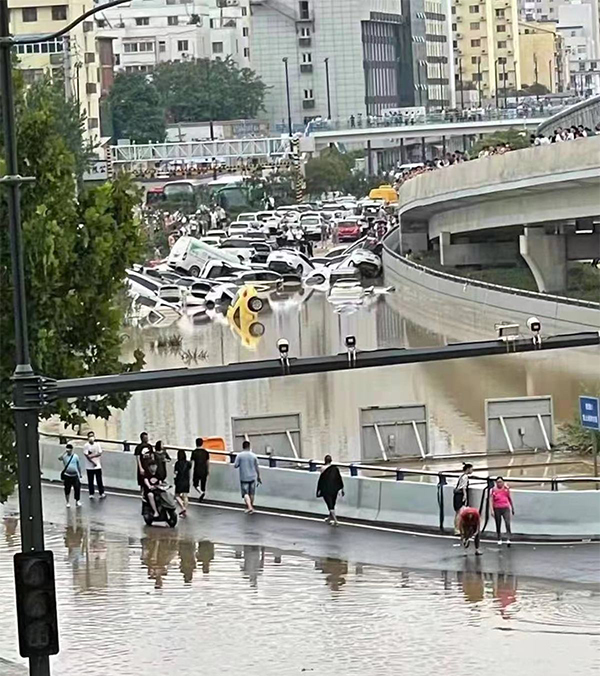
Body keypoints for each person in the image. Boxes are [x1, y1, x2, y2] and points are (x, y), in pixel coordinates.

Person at [234, 440, 261, 514]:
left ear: (243, 447)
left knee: (245, 493)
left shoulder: (239, 455)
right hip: (252, 477)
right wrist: (258, 476)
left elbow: (235, 465)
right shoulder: (253, 456)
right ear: (249, 447)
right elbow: (257, 467)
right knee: (252, 493)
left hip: (244, 477)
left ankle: (249, 507)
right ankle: (251, 506)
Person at [316, 455, 344, 526]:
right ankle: (329, 518)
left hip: (326, 489)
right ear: (331, 460)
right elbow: (339, 479)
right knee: (332, 503)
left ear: (324, 461)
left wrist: (318, 490)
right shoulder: (335, 469)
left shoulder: (322, 468)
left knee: (330, 505)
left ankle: (335, 521)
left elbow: (321, 480)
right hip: (334, 489)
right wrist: (341, 488)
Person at [491, 476, 514, 546]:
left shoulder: (506, 489)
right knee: (498, 524)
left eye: (500, 482)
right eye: (498, 482)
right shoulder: (493, 490)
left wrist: (512, 507)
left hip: (505, 508)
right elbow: (491, 500)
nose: (499, 483)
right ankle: (499, 538)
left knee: (507, 523)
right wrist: (491, 510)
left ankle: (508, 538)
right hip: (497, 508)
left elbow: (509, 498)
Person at [83, 431, 105, 500]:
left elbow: (99, 453)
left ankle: (101, 492)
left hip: (98, 466)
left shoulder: (97, 444)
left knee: (99, 480)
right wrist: (93, 462)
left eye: (92, 436)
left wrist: (92, 456)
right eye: (90, 436)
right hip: (89, 466)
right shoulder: (86, 446)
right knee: (90, 480)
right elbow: (86, 455)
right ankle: (91, 493)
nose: (91, 438)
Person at [454, 463, 473, 533]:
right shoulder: (465, 477)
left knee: (457, 512)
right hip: (460, 495)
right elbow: (464, 487)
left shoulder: (461, 475)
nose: (472, 470)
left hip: (456, 495)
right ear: (468, 469)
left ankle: (457, 528)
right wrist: (465, 496)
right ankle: (458, 529)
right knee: (460, 512)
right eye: (471, 469)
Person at [174, 449, 192, 518]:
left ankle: (182, 507)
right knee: (185, 496)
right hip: (186, 480)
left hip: (179, 480)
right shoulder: (188, 463)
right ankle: (185, 510)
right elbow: (189, 472)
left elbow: (175, 473)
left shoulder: (177, 463)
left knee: (177, 495)